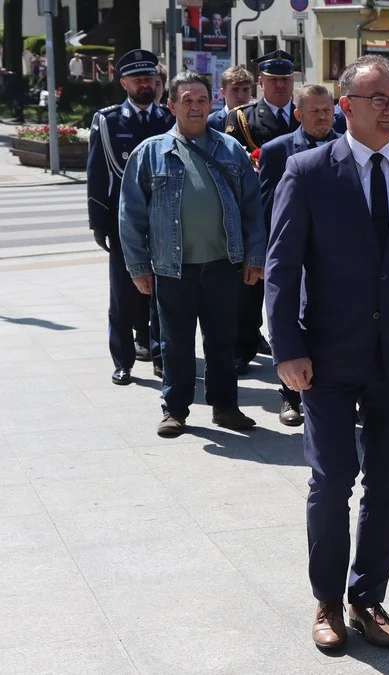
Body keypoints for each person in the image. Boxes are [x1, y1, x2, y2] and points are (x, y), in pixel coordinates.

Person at [265, 55, 389, 651]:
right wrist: (286, 347)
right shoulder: (307, 170)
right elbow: (282, 267)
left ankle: (368, 596)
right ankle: (327, 599)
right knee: (332, 481)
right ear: (346, 107)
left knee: (387, 484)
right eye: (378, 99)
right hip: (325, 356)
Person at [118, 70, 266, 438]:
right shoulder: (150, 152)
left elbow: (252, 207)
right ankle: (175, 410)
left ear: (211, 102)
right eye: (187, 101)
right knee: (175, 344)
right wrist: (138, 266)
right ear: (172, 105)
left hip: (223, 264)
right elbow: (131, 213)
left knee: (222, 341)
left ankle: (225, 408)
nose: (196, 107)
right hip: (173, 267)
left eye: (202, 100)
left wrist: (254, 256)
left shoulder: (231, 149)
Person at [86, 49, 174, 386]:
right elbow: (97, 175)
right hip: (126, 223)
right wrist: (99, 223)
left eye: (149, 78)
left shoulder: (168, 119)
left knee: (163, 294)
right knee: (123, 296)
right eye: (137, 79)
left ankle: (161, 357)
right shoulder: (107, 120)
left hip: (165, 220)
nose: (144, 84)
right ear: (123, 83)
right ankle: (123, 360)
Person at [256, 83, 340, 426]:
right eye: (314, 111)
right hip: (294, 252)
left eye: (327, 110)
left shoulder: (347, 146)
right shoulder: (278, 150)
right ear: (298, 115)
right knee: (290, 320)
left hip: (335, 257)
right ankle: (290, 397)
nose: (323, 117)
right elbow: (266, 207)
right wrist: (266, 255)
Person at [227, 50, 300, 374]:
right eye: (274, 80)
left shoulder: (304, 113)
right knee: (250, 285)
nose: (281, 86)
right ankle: (243, 347)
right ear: (261, 83)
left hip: (299, 210)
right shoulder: (244, 118)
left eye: (286, 79)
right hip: (260, 212)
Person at [208, 65, 254, 131]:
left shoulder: (258, 121)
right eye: (235, 90)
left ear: (251, 91)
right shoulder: (211, 123)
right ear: (223, 92)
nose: (241, 96)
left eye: (245, 90)